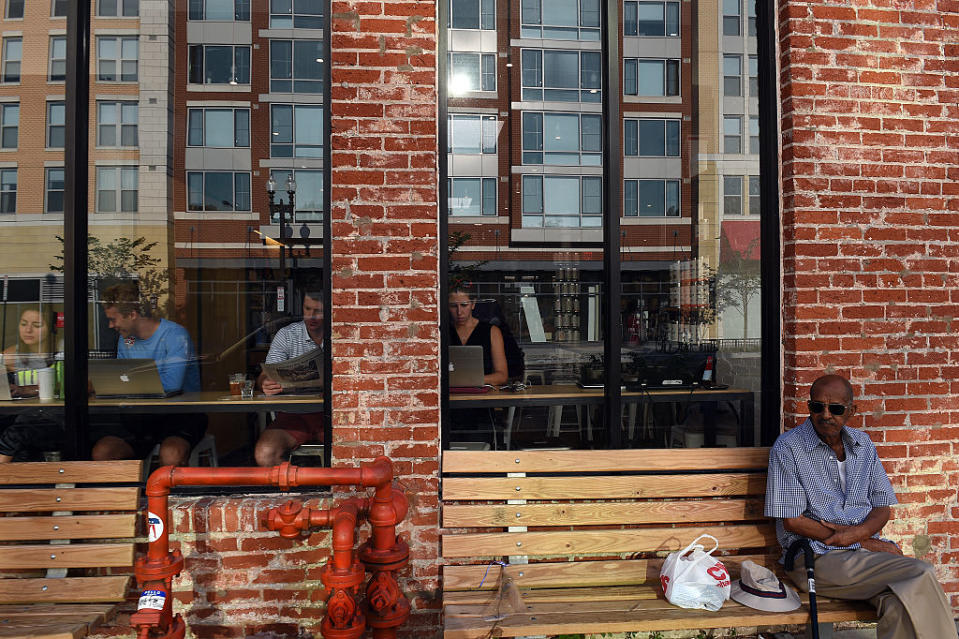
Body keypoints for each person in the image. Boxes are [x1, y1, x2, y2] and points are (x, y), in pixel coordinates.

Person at [766, 374, 957, 639]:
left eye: (835, 409)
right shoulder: (788, 448)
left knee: (898, 604)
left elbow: (882, 507)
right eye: (816, 406)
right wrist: (860, 540)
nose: (825, 415)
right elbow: (793, 521)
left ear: (852, 411)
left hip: (864, 561)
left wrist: (858, 536)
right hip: (813, 559)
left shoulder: (863, 445)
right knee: (920, 571)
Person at [90, 282, 205, 467]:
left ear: (132, 315)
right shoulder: (125, 338)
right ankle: (127, 495)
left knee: (171, 454)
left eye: (114, 319)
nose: (111, 325)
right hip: (141, 417)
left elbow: (172, 385)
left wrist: (128, 381)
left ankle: (170, 495)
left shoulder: (175, 335)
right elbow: (121, 380)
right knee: (103, 451)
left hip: (180, 415)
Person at [254, 281, 324, 467]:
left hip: (332, 414)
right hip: (293, 415)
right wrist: (264, 383)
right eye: (307, 309)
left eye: (318, 310)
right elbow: (266, 373)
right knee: (265, 453)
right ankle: (289, 496)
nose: (312, 316)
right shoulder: (287, 335)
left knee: (357, 451)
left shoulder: (342, 334)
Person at [0, 307, 64, 462]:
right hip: (21, 416)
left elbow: (82, 384)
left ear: (51, 328)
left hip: (56, 418)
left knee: (14, 435)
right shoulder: (12, 354)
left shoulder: (63, 350)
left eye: (37, 325)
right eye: (23, 324)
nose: (28, 330)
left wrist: (30, 390)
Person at [448, 284, 507, 386]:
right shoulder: (443, 331)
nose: (459, 312)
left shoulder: (491, 331)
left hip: (482, 396)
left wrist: (467, 381)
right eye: (454, 306)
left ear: (473, 304)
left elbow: (502, 376)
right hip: (449, 396)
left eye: (464, 305)